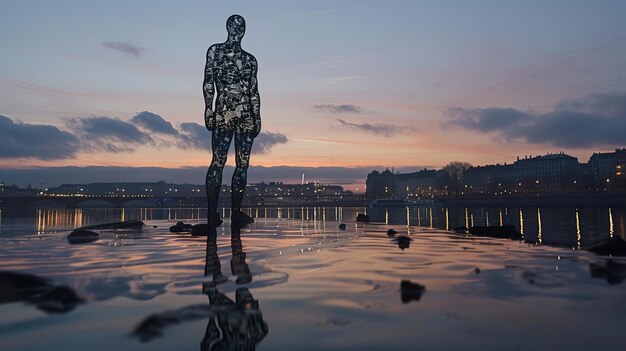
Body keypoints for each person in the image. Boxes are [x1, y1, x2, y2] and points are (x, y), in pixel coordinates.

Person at [204, 14, 260, 227]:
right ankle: (214, 213)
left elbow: (253, 90)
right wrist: (208, 109)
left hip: (242, 114)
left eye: (241, 27)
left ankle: (234, 212)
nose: (238, 29)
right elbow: (208, 82)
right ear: (228, 28)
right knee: (219, 162)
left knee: (240, 164)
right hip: (226, 112)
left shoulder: (249, 60)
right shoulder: (216, 51)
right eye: (236, 26)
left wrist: (257, 115)